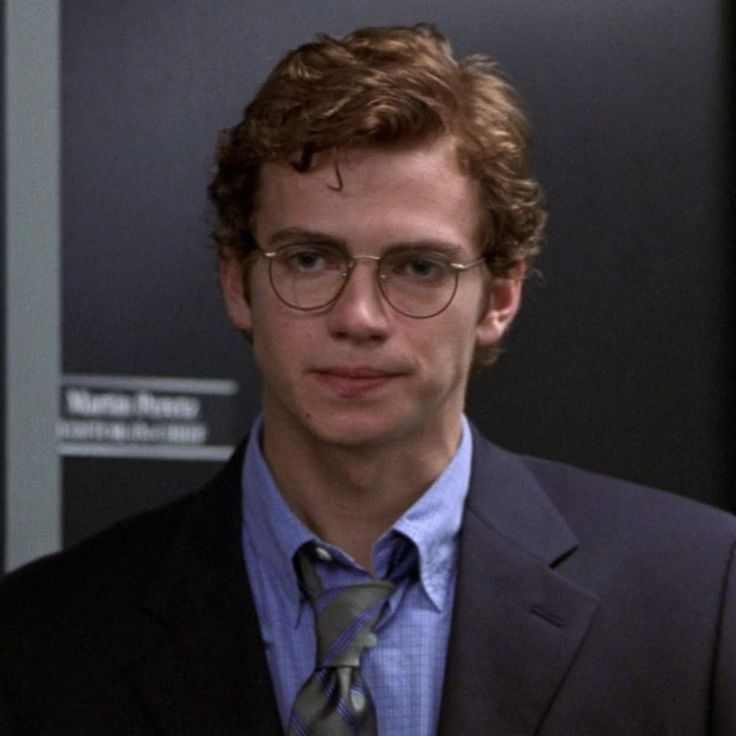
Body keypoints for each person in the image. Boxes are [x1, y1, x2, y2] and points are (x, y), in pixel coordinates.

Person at [1, 23, 734, 736]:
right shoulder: (47, 632)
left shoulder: (700, 598)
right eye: (310, 259)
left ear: (500, 297)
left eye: (419, 268)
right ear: (237, 281)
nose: (359, 317)